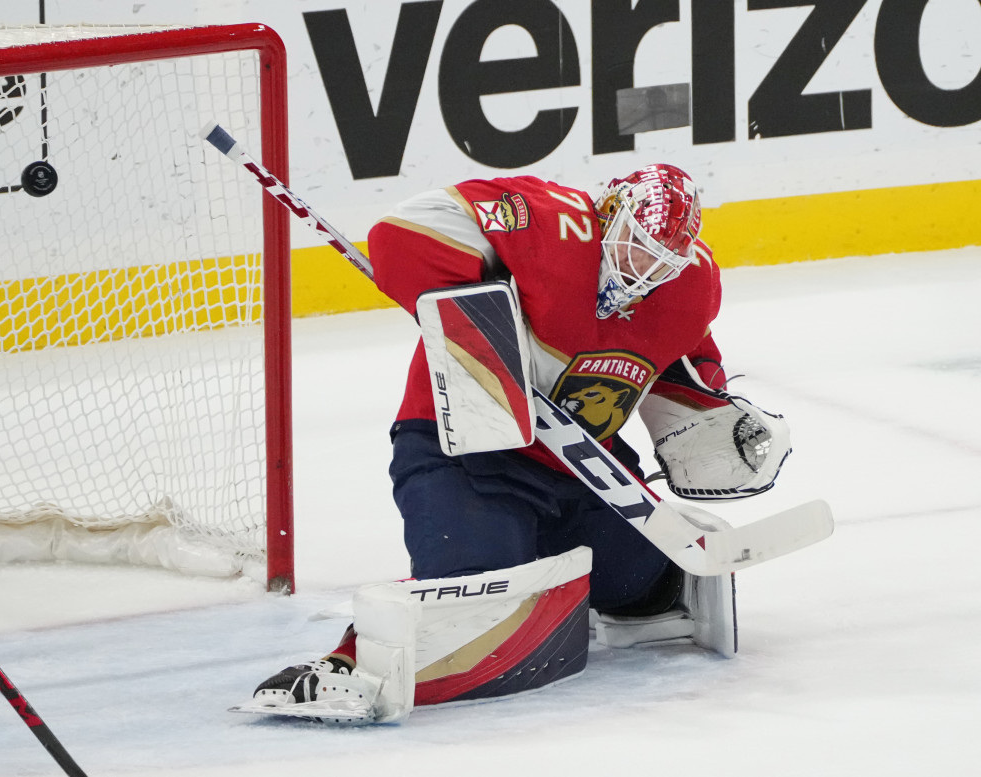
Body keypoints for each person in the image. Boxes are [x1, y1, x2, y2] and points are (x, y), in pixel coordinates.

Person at [248, 164, 792, 719]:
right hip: (462, 452)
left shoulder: (692, 282)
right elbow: (401, 235)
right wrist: (475, 322)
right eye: (635, 243)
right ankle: (348, 663)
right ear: (609, 214)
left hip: (582, 466)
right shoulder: (545, 220)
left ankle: (580, 578)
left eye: (661, 258)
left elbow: (685, 359)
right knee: (480, 591)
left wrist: (718, 418)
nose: (644, 267)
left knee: (640, 585)